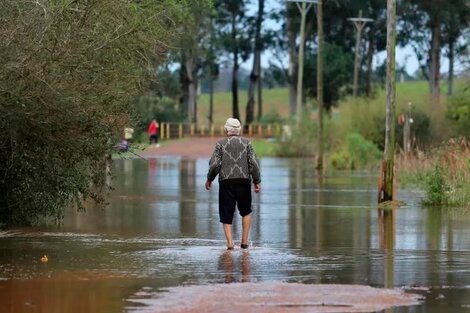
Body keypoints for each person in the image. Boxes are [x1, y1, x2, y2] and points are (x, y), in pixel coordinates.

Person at [205, 118, 261, 250]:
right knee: (246, 211)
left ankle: (230, 245)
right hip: (244, 182)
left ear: (226, 129)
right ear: (239, 130)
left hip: (226, 182)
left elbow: (215, 164)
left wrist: (209, 179)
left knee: (226, 214)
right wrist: (257, 180)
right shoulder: (247, 143)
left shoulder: (221, 144)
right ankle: (245, 243)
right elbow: (253, 163)